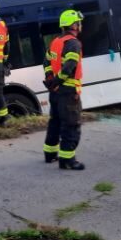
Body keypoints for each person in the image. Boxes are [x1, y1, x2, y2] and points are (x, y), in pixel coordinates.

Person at [42, 9, 85, 170]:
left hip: (55, 92)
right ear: (73, 25)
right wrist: (57, 81)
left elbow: (46, 62)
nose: (80, 26)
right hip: (68, 92)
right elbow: (69, 67)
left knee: (55, 122)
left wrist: (50, 80)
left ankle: (50, 154)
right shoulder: (73, 43)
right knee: (71, 124)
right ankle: (67, 159)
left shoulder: (55, 42)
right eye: (79, 23)